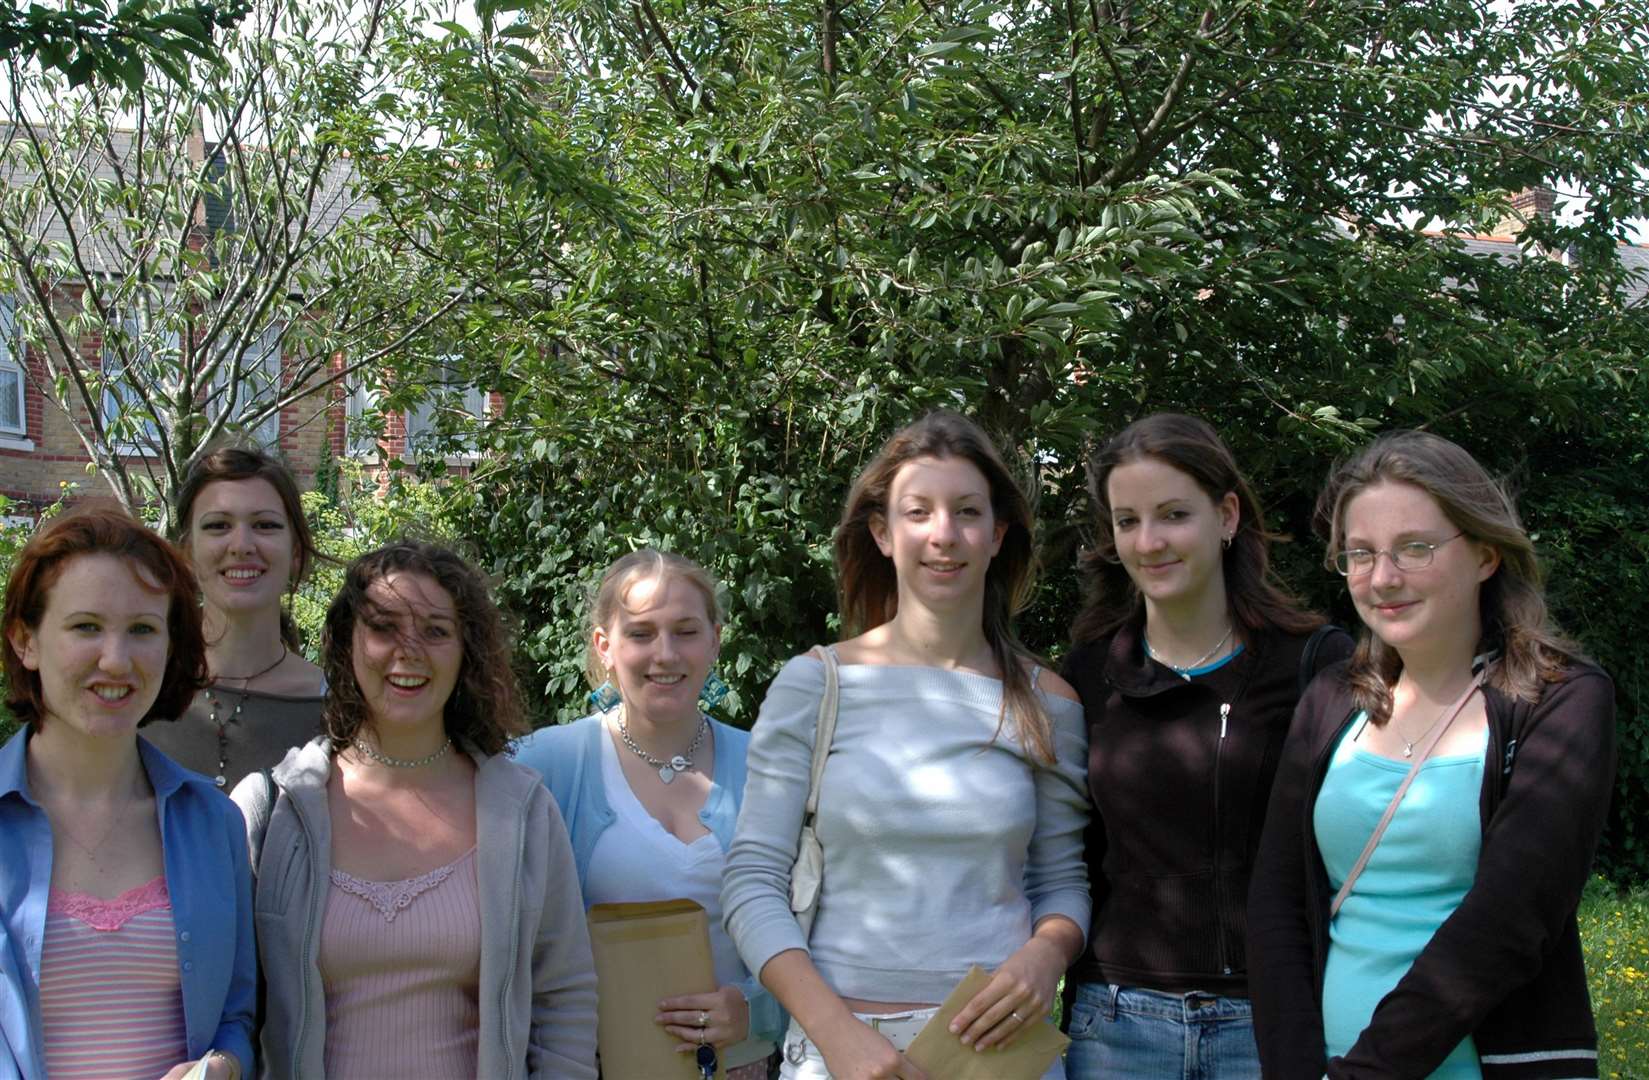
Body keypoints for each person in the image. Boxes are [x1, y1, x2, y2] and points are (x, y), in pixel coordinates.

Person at [722, 410, 1090, 1080]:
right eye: (917, 511)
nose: (943, 534)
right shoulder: (815, 686)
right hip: (843, 1056)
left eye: (967, 512)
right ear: (882, 534)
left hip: (998, 1060)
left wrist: (1046, 957)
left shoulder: (1048, 704)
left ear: (997, 534)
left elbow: (1061, 881)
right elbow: (751, 884)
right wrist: (836, 1035)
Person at [1248, 430, 1617, 1079]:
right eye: (1359, 554)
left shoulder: (1561, 702)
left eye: (1414, 548)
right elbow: (1277, 902)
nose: (1382, 578)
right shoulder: (1332, 700)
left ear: (1483, 553)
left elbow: (1509, 921)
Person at [231, 541, 598, 1079]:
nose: (409, 650)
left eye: (435, 630)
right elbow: (230, 1008)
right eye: (383, 627)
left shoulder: (522, 812)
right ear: (345, 643)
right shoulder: (275, 810)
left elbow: (563, 999)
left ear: (465, 650)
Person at [1058, 413, 1351, 1079]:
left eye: (1172, 514)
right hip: (1115, 1027)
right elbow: (1065, 857)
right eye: (1126, 521)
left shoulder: (1314, 665)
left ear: (1226, 516)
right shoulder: (1085, 677)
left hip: (1270, 1023)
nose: (1148, 540)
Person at [0, 505, 255, 1080]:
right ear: (26, 642)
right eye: (86, 626)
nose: (115, 660)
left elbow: (236, 1017)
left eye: (142, 629)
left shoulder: (214, 823)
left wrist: (223, 1067)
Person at [516, 549, 783, 1079]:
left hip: (740, 1071)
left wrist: (757, 1010)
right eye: (640, 634)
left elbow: (825, 933)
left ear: (715, 640)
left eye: (685, 631)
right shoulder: (545, 764)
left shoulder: (770, 770)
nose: (665, 654)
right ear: (605, 646)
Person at [145, 445, 325, 790]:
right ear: (186, 553)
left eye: (265, 525)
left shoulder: (335, 706)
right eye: (218, 525)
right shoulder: (141, 689)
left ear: (297, 554)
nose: (241, 544)